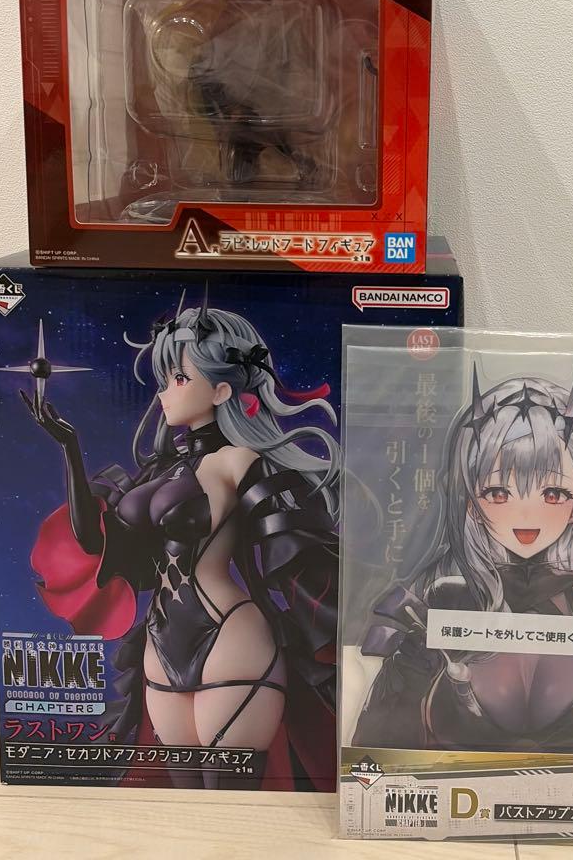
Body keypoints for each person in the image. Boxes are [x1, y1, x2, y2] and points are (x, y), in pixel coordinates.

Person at [24, 291, 339, 788]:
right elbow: (97, 541)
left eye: (179, 378)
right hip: (160, 644)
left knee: (228, 791)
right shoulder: (158, 471)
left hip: (230, 632)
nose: (163, 393)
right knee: (184, 794)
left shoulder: (238, 460)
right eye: (163, 379)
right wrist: (70, 448)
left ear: (221, 390)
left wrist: (348, 611)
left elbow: (292, 544)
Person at [352, 366, 573, 757]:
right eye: (499, 493)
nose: (526, 515)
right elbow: (377, 742)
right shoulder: (445, 602)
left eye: (552, 493)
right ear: (472, 505)